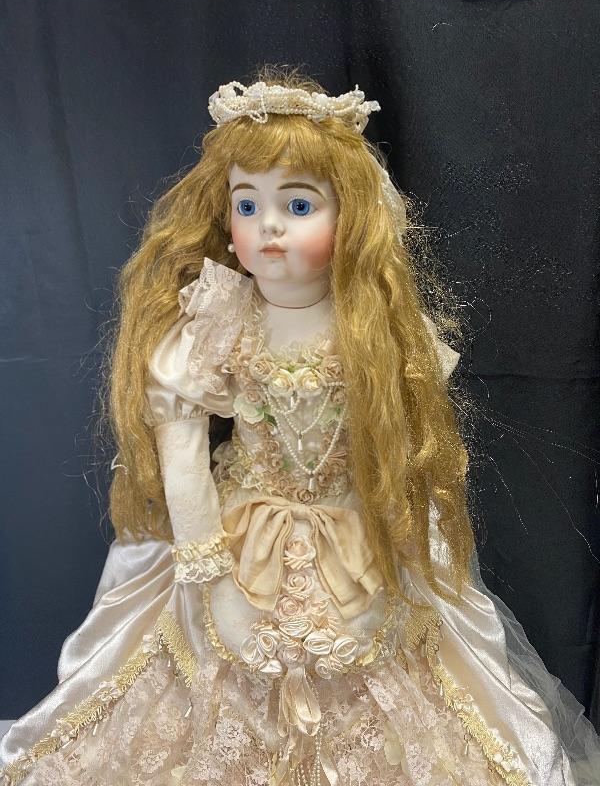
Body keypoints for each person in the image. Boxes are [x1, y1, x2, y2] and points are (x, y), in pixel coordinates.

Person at [2, 67, 600, 786]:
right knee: (217, 662)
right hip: (237, 534)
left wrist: (410, 534)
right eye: (246, 204)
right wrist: (200, 554)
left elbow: (402, 444)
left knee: (395, 673)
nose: (269, 227)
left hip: (357, 532)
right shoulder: (219, 318)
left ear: (349, 218)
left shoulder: (372, 327)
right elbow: (182, 439)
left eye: (297, 203)